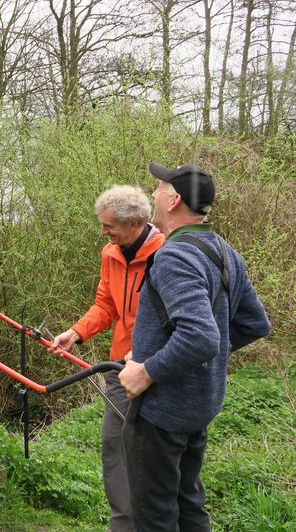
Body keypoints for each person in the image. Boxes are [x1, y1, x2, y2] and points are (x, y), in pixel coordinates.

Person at [118, 163, 270, 532]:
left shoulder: (175, 255)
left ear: (174, 200)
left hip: (162, 412)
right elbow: (253, 323)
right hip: (199, 405)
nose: (152, 194)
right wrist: (202, 362)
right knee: (189, 505)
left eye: (158, 188)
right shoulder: (223, 249)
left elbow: (201, 336)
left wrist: (147, 370)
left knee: (154, 517)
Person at [50, 185, 164, 532]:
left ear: (134, 224)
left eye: (109, 225)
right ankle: (123, 525)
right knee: (114, 446)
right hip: (119, 370)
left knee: (157, 452)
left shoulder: (167, 253)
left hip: (158, 370)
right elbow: (107, 304)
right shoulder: (111, 253)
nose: (103, 231)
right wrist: (77, 332)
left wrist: (148, 354)